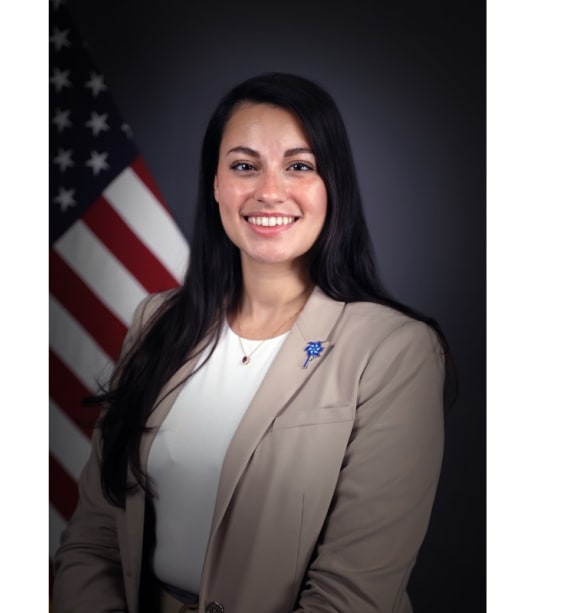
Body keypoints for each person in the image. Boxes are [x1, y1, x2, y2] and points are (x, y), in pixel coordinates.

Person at [53, 72, 451, 613]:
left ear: (332, 185)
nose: (269, 190)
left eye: (299, 166)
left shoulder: (396, 350)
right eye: (244, 166)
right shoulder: (157, 322)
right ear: (215, 184)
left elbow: (352, 595)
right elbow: (95, 535)